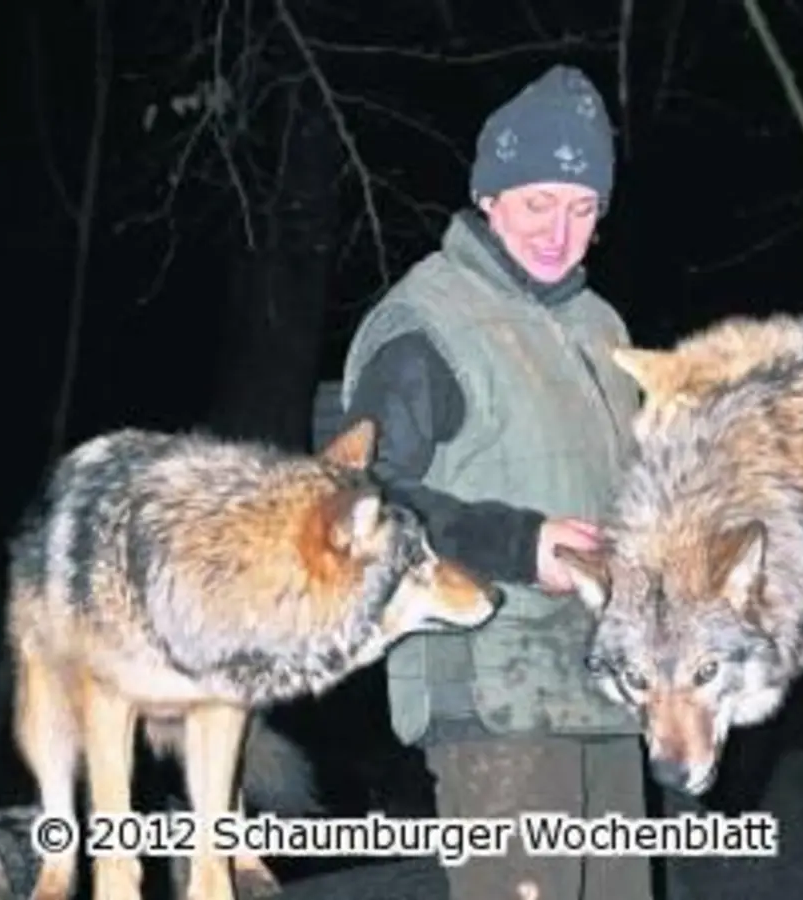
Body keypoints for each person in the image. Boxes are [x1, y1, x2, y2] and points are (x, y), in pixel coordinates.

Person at [335, 63, 652, 900]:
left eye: (582, 208)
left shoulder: (604, 329)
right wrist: (522, 543)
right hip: (491, 697)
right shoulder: (429, 324)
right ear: (490, 196)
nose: (558, 230)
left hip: (607, 691)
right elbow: (365, 502)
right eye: (538, 202)